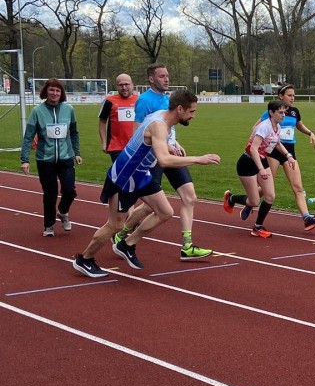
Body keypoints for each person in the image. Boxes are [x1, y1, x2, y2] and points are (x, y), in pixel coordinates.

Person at [73, 90, 221, 278]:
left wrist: (169, 145)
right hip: (124, 177)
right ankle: (84, 259)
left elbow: (148, 137)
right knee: (115, 225)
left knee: (165, 212)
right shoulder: (159, 125)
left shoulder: (162, 118)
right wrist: (199, 159)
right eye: (191, 112)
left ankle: (127, 244)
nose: (194, 116)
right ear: (180, 109)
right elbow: (164, 161)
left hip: (141, 175)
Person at [111, 63, 213, 260]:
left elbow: (168, 128)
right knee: (150, 206)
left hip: (172, 152)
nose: (166, 79)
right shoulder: (144, 101)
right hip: (154, 158)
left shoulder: (169, 99)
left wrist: (175, 142)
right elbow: (139, 133)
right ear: (151, 79)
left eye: (167, 75)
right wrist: (166, 146)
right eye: (162, 76)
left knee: (190, 197)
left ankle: (187, 246)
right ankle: (122, 235)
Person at [246, 84, 315, 231]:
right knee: (267, 186)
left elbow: (299, 126)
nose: (292, 98)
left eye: (294, 95)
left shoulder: (294, 112)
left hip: (289, 152)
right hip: (274, 152)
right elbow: (256, 128)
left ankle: (307, 218)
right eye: (290, 95)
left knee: (298, 187)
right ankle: (248, 201)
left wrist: (310, 133)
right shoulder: (273, 112)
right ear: (281, 96)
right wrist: (266, 140)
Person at [222, 100, 294, 239]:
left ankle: (258, 227)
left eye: (284, 112)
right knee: (254, 201)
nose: (283, 115)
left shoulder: (277, 127)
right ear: (271, 113)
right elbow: (254, 149)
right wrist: (261, 169)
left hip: (261, 161)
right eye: (280, 112)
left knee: (270, 196)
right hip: (248, 162)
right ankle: (231, 198)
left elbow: (277, 143)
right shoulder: (264, 127)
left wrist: (288, 156)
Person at [20, 78, 82, 236]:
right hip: (45, 160)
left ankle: (63, 211)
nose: (54, 93)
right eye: (51, 90)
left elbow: (74, 132)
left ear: (61, 93)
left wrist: (77, 152)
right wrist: (25, 159)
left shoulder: (69, 110)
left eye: (57, 90)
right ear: (46, 92)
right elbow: (28, 137)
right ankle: (48, 225)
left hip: (66, 157)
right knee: (50, 194)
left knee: (69, 190)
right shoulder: (37, 111)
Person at [98, 73, 138, 162]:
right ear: (116, 86)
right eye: (121, 85)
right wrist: (104, 142)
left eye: (126, 84)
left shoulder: (140, 100)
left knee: (136, 174)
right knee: (120, 174)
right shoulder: (109, 101)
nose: (124, 87)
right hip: (116, 147)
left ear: (132, 85)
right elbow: (102, 122)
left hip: (137, 146)